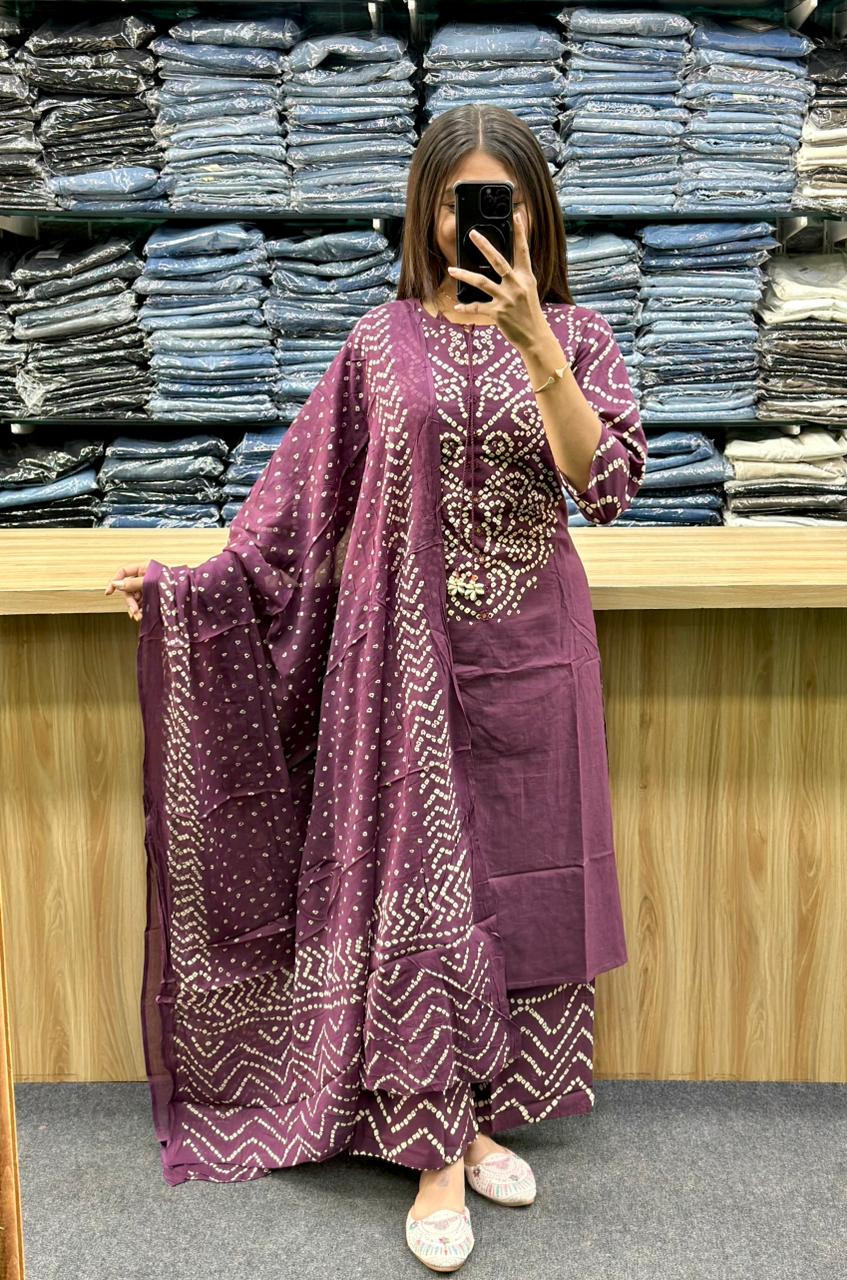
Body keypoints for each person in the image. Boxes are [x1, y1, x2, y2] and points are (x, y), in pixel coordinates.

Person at [105, 104, 647, 1273]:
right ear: (424, 214)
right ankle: (433, 1146)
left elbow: (603, 485)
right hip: (400, 666)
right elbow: (297, 504)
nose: (474, 221)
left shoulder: (581, 333)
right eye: (456, 201)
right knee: (417, 887)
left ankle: (482, 1111)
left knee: (519, 880)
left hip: (535, 655)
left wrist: (536, 341)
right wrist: (194, 587)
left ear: (537, 213)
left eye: (500, 198)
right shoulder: (378, 343)